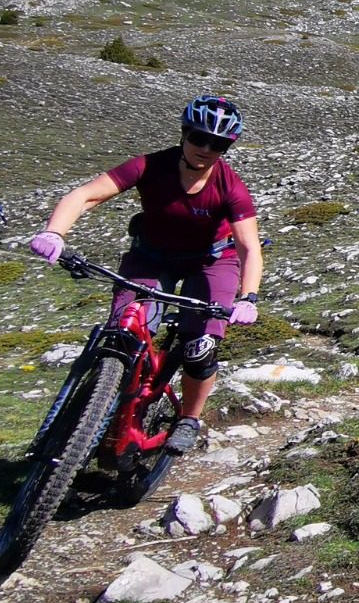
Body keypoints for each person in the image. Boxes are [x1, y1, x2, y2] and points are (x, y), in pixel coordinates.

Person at [28, 95, 263, 453]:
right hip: (152, 257)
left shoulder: (230, 186)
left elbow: (248, 246)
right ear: (184, 134)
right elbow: (86, 196)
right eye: (199, 138)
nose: (206, 148)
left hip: (211, 262)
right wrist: (54, 232)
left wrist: (248, 298)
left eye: (218, 144)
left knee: (200, 347)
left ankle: (188, 419)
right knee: (125, 331)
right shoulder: (150, 166)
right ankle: (99, 412)